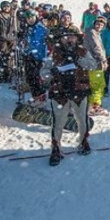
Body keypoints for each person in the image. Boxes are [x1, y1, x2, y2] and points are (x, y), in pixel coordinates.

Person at [48, 30, 94, 166]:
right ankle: (56, 148)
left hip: (79, 91)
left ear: (76, 38)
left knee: (82, 119)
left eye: (72, 36)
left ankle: (83, 142)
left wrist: (79, 60)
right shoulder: (53, 53)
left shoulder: (83, 51)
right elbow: (43, 72)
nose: (68, 39)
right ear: (60, 39)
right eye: (65, 36)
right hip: (59, 92)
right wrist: (51, 72)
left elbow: (93, 65)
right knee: (58, 122)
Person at [20, 9, 48, 105]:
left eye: (32, 17)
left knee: (36, 77)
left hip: (38, 56)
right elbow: (26, 41)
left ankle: (40, 96)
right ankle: (35, 96)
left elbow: (42, 44)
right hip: (28, 55)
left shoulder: (40, 28)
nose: (30, 19)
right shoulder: (28, 28)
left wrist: (43, 57)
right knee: (29, 77)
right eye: (28, 18)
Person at [84, 16, 109, 115]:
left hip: (94, 63)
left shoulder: (95, 33)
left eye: (102, 25)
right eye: (98, 24)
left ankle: (93, 104)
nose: (99, 26)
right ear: (94, 24)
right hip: (94, 63)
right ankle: (93, 106)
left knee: (98, 84)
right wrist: (103, 60)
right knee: (97, 85)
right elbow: (97, 47)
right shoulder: (92, 33)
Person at [0, 0, 18, 83]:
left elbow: (17, 26)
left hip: (12, 38)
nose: (6, 8)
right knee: (2, 55)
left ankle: (9, 73)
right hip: (2, 38)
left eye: (8, 7)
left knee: (11, 56)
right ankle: (2, 73)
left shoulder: (13, 15)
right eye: (4, 6)